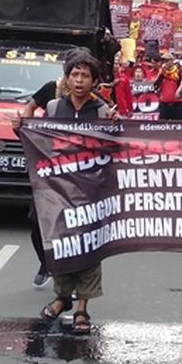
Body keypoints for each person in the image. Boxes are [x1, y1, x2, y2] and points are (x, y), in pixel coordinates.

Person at [21, 50, 115, 333]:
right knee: (60, 243)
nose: (79, 80)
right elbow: (37, 142)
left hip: (89, 190)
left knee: (89, 245)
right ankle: (62, 297)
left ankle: (82, 308)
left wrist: (114, 128)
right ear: (66, 78)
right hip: (57, 191)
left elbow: (113, 148)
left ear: (94, 81)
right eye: (75, 74)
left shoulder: (102, 112)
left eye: (85, 76)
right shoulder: (51, 109)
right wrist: (20, 128)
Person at [154, 55, 182, 121]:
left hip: (177, 105)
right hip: (164, 104)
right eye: (164, 61)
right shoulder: (162, 73)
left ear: (172, 61)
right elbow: (155, 86)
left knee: (177, 126)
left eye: (167, 60)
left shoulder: (178, 72)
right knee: (162, 126)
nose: (166, 63)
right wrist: (161, 75)